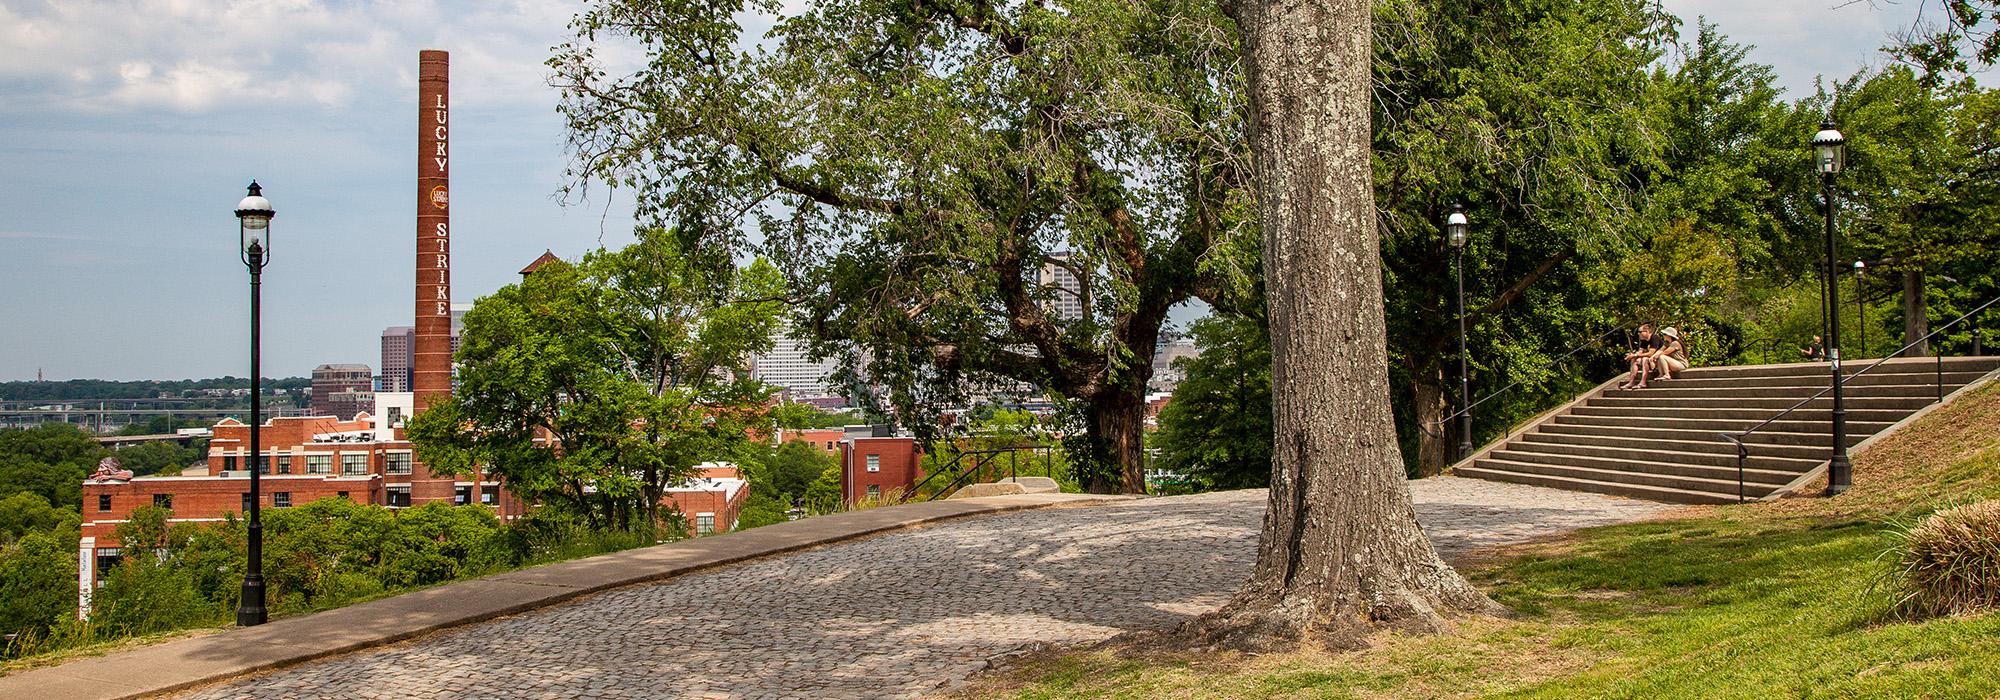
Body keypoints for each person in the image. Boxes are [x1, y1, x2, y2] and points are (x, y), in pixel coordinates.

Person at [1620, 324, 1664, 390]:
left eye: (1640, 332)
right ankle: (1631, 382)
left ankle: (1643, 382)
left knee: (1644, 359)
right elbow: (1640, 351)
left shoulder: (1654, 338)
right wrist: (1633, 355)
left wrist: (1636, 355)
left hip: (1657, 360)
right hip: (1651, 360)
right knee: (1635, 359)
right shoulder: (1643, 340)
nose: (1638, 334)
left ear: (1647, 331)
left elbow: (1650, 353)